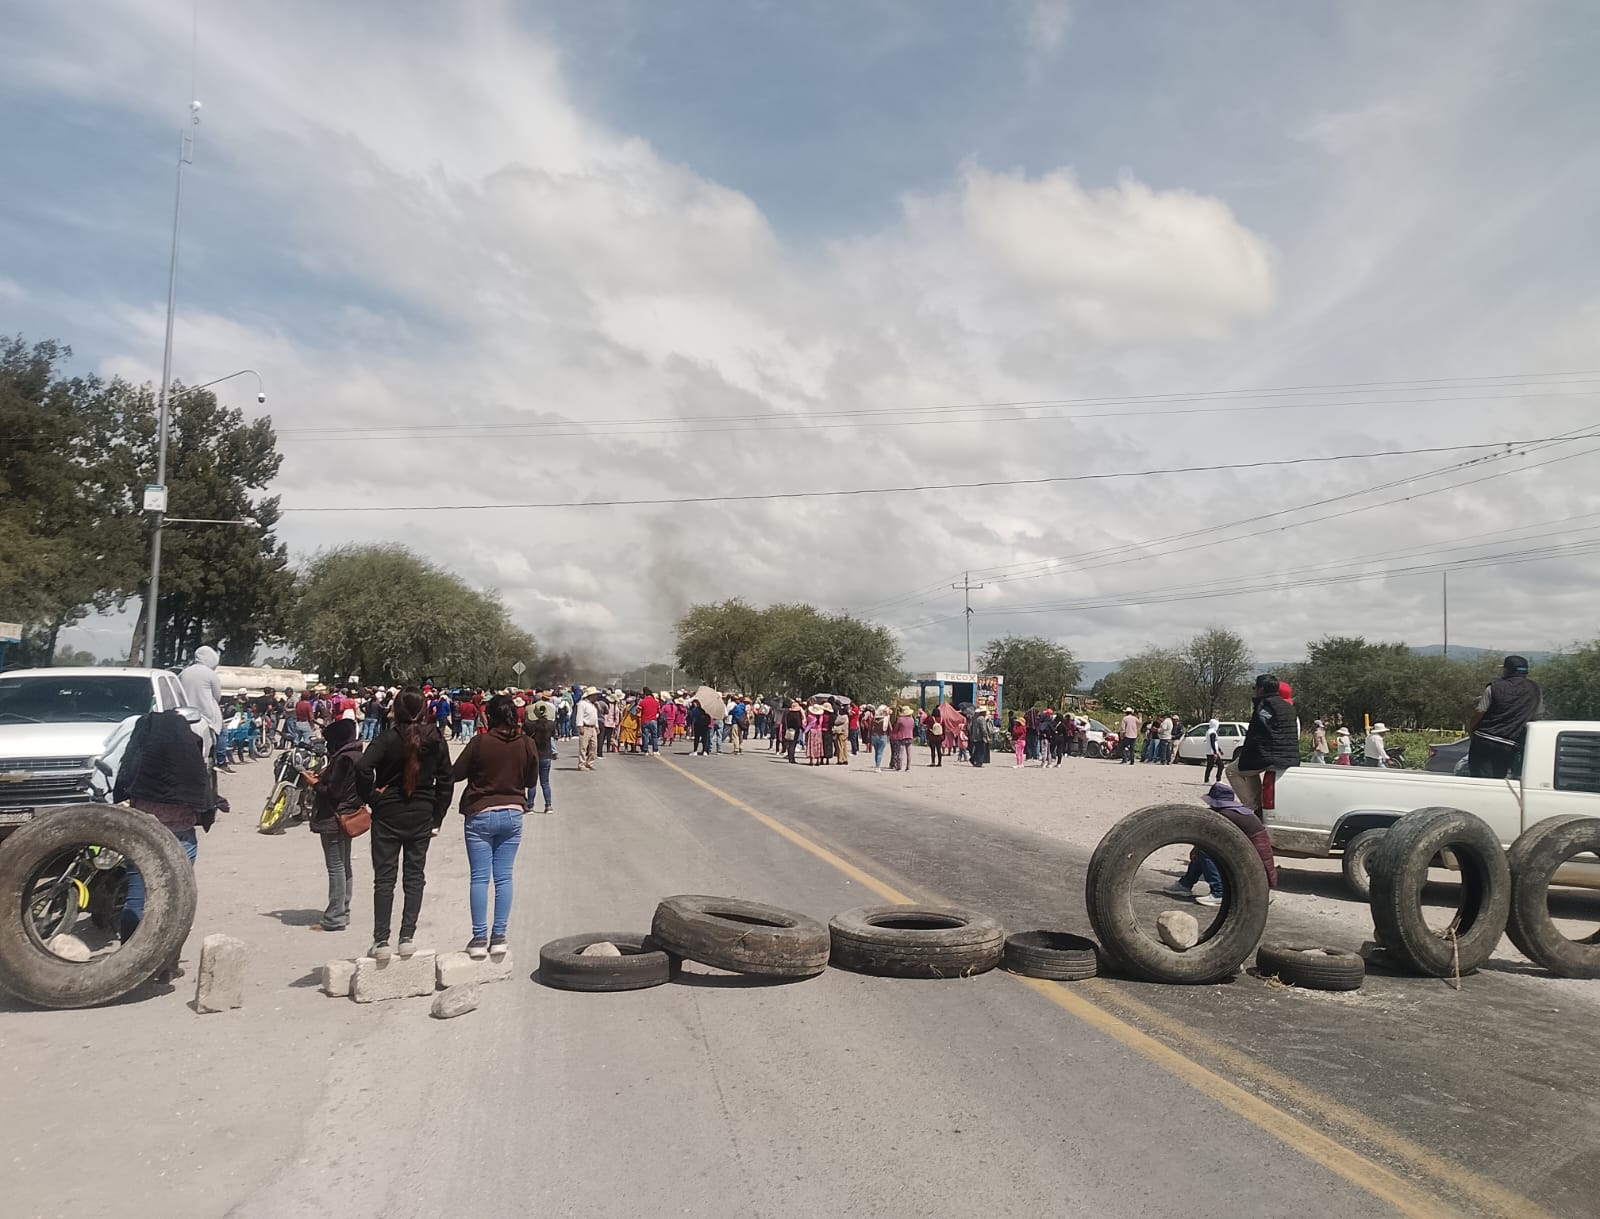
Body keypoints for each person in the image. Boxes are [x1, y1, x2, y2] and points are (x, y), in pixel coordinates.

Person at [112, 705, 214, 982]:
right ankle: (168, 965)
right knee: (175, 902)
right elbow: (204, 797)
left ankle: (127, 965)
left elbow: (123, 785)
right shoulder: (188, 757)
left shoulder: (142, 758)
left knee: (137, 898)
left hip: (143, 838)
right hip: (181, 840)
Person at [357, 689, 453, 960]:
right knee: (414, 876)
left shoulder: (387, 738)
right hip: (422, 812)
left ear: (396, 709)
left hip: (388, 812)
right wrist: (438, 815)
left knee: (384, 878)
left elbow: (362, 768)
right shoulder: (435, 739)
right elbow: (446, 779)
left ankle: (381, 941)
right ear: (424, 709)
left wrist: (373, 797)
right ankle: (407, 937)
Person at [451, 694, 536, 958]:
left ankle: (479, 938)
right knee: (504, 876)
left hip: (481, 812)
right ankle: (499, 936)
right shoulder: (526, 743)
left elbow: (456, 774)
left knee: (480, 877)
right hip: (512, 812)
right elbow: (531, 781)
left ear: (490, 716)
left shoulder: (480, 743)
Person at [304, 716, 371, 933]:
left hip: (333, 818)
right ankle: (343, 911)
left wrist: (314, 783)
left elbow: (332, 792)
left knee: (336, 867)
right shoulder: (358, 755)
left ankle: (334, 917)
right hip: (349, 816)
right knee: (344, 865)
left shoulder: (342, 759)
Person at [1166, 782, 1279, 907]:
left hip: (1253, 847)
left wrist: (1197, 848)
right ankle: (1185, 884)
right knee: (1202, 851)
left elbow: (1211, 836)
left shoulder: (1226, 815)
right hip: (1249, 844)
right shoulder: (1234, 812)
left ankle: (1219, 892)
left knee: (1206, 852)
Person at [1229, 674, 1301, 812]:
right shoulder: (1288, 707)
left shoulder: (1265, 707)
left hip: (1271, 755)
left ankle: (1250, 806)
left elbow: (1257, 733)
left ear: (1261, 689)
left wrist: (1247, 754)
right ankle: (1257, 804)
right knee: (1248, 769)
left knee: (1232, 770)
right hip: (1289, 755)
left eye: (1255, 688)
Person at [1467, 655, 1543, 780]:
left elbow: (1480, 712)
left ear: (1508, 670)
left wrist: (1471, 730)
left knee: (1479, 779)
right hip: (1509, 743)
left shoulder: (1494, 687)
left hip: (1484, 739)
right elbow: (1536, 716)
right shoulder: (1535, 690)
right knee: (1498, 778)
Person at [179, 644, 227, 772]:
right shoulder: (211, 674)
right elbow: (217, 696)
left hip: (186, 713)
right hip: (206, 713)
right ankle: (220, 761)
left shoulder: (184, 672)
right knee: (222, 732)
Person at [522, 700, 557, 813]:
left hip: (533, 755)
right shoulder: (551, 724)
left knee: (532, 782)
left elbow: (524, 732)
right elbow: (554, 735)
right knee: (545, 782)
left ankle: (530, 806)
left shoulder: (530, 725)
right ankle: (548, 805)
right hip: (546, 755)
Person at [575, 688, 601, 769]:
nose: (596, 697)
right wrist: (580, 727)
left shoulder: (593, 705)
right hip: (585, 727)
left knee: (593, 747)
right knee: (583, 747)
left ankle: (590, 763)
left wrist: (597, 726)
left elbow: (595, 717)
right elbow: (579, 716)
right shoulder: (582, 704)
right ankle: (581, 764)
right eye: (595, 695)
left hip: (593, 727)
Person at [890, 705, 916, 772]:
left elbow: (896, 729)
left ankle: (899, 766)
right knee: (909, 753)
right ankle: (908, 767)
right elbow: (913, 727)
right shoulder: (912, 719)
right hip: (910, 736)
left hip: (901, 737)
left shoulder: (900, 719)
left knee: (900, 753)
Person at [1203, 718, 1228, 784]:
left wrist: (1219, 750)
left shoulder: (1209, 731)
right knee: (1220, 765)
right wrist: (1215, 752)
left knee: (1210, 766)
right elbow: (1212, 743)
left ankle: (1206, 780)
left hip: (1210, 751)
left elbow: (1215, 743)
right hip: (1212, 752)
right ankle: (1218, 779)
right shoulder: (1212, 732)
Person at [637, 688, 661, 754]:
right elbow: (659, 711)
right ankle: (655, 750)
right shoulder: (656, 702)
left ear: (645, 694)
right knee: (654, 736)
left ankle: (645, 750)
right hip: (653, 720)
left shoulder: (642, 701)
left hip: (645, 720)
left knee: (645, 736)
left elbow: (638, 710)